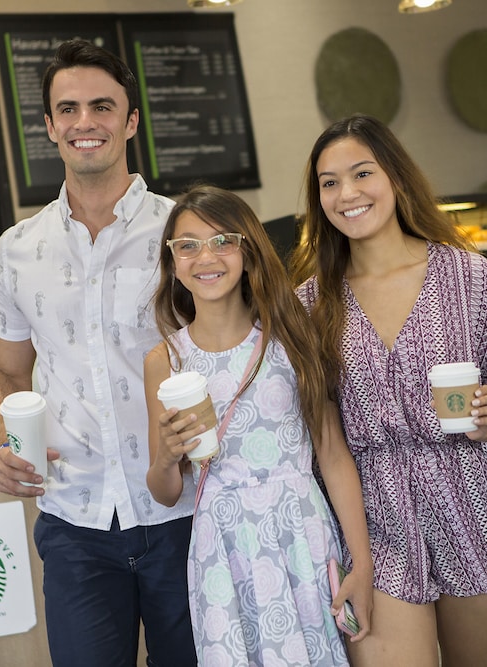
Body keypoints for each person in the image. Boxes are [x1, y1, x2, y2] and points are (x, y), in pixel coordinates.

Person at [290, 114, 487, 667]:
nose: (347, 194)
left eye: (362, 173)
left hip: (476, 506)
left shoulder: (470, 278)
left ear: (395, 177)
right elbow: (310, 434)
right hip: (373, 522)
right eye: (329, 182)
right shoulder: (311, 304)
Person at [0, 39, 196, 667]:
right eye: (68, 109)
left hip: (187, 510)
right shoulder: (15, 250)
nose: (85, 122)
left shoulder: (186, 234)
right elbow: (6, 371)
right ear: (50, 127)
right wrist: (0, 442)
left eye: (102, 106)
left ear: (131, 121)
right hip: (75, 522)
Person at [144, 184, 375, 665]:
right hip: (221, 545)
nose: (205, 257)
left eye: (222, 241)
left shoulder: (291, 337)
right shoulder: (164, 360)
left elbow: (333, 454)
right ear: (173, 263)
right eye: (187, 245)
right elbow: (166, 492)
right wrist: (166, 456)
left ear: (248, 251)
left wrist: (362, 563)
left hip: (301, 531)